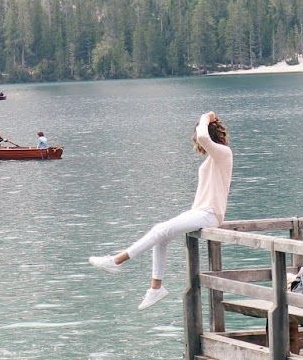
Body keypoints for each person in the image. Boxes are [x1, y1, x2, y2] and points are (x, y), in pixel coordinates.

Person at [89, 111, 232, 310]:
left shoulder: (223, 153)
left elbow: (201, 136)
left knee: (160, 229)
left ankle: (117, 260)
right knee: (161, 236)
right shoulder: (212, 158)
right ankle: (156, 288)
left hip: (210, 214)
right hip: (199, 212)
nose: (198, 143)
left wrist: (205, 117)